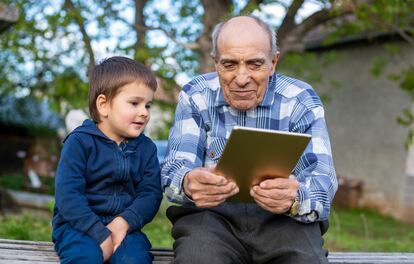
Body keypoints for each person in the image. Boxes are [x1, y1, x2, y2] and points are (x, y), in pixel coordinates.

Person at [161, 15, 338, 264]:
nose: (242, 78)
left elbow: (323, 180)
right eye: (230, 64)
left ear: (273, 62)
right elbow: (173, 169)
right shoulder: (196, 94)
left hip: (284, 220)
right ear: (215, 63)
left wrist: (295, 199)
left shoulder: (301, 99)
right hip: (211, 219)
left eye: (255, 64)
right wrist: (188, 182)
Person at [52, 56, 163, 264]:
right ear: (103, 105)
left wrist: (124, 222)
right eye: (134, 103)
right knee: (86, 257)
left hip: (125, 227)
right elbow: (68, 195)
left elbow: (151, 194)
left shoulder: (146, 148)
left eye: (148, 105)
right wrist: (99, 234)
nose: (144, 113)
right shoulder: (79, 142)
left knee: (134, 259)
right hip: (78, 226)